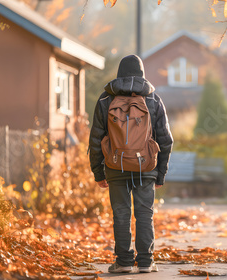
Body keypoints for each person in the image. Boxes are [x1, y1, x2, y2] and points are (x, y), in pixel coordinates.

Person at [89, 54, 173, 273]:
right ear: (142, 73)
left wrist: (99, 173)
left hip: (116, 167)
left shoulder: (105, 100)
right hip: (146, 167)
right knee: (145, 214)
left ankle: (124, 262)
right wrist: (160, 174)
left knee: (121, 214)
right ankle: (146, 262)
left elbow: (96, 139)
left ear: (119, 73)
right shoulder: (153, 100)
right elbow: (166, 140)